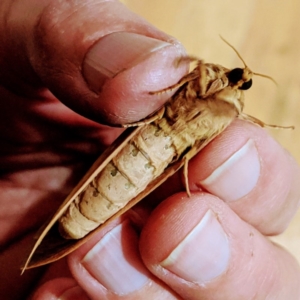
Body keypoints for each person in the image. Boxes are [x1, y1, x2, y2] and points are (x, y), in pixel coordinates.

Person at [1, 1, 300, 299]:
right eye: (237, 75)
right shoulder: (209, 78)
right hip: (148, 142)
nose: (236, 80)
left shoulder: (230, 109)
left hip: (160, 157)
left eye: (240, 83)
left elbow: (210, 134)